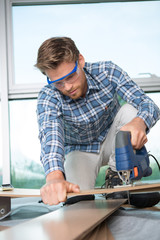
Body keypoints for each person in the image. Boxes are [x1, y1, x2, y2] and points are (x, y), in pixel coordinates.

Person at [35, 37, 160, 205]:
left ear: (80, 61)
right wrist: (54, 177)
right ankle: (85, 194)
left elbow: (147, 104)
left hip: (114, 141)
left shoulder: (107, 71)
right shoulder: (48, 96)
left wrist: (140, 122)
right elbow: (50, 136)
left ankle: (117, 177)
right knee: (78, 200)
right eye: (58, 83)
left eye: (70, 77)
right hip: (80, 151)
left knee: (131, 111)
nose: (67, 87)